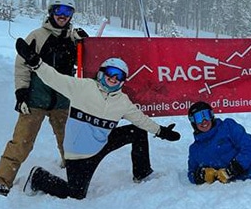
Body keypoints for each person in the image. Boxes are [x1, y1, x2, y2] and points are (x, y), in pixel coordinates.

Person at [15, 38, 181, 200]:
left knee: (137, 131)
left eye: (119, 76)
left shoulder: (122, 101)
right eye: (110, 73)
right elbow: (54, 78)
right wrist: (36, 63)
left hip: (102, 143)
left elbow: (141, 120)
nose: (113, 78)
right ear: (101, 73)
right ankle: (38, 176)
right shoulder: (84, 87)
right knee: (76, 194)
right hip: (79, 156)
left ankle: (142, 173)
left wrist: (161, 131)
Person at [0, 0, 88, 196]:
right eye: (59, 11)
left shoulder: (73, 38)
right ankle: (3, 180)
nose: (62, 16)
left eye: (67, 12)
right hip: (36, 99)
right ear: (51, 12)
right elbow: (22, 65)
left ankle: (71, 170)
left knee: (69, 141)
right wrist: (21, 93)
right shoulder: (38, 36)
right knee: (22, 141)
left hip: (62, 100)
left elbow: (85, 65)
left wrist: (85, 44)